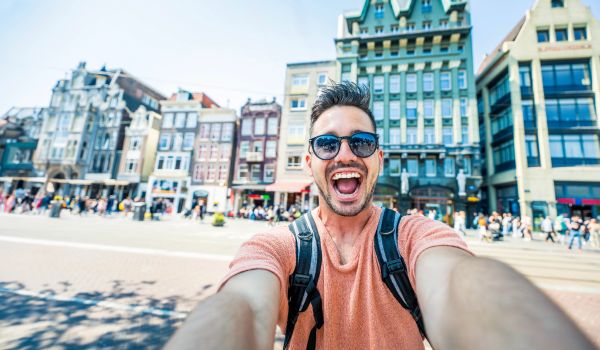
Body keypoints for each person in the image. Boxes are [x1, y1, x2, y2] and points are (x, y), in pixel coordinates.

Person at [165, 82, 594, 350]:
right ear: (309, 162)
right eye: (328, 144)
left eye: (362, 142)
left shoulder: (414, 237)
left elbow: (460, 286)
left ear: (380, 159)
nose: (346, 154)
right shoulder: (276, 247)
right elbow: (243, 307)